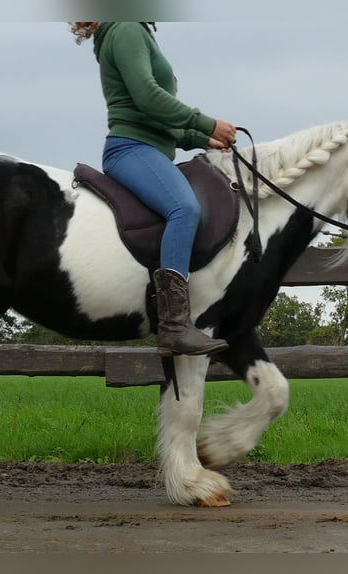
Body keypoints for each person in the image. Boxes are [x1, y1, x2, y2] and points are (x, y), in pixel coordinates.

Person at [70, 22, 235, 357]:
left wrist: (200, 139)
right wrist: (206, 122)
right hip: (131, 148)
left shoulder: (135, 30)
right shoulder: (127, 28)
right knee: (184, 209)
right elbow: (147, 97)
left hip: (149, 147)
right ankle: (174, 326)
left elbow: (155, 119)